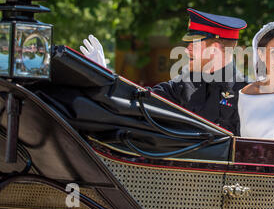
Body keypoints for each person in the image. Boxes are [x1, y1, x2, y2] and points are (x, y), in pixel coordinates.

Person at [80, 8, 248, 135]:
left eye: (194, 43)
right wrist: (105, 76)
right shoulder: (184, 84)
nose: (187, 49)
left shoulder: (247, 93)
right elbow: (139, 100)